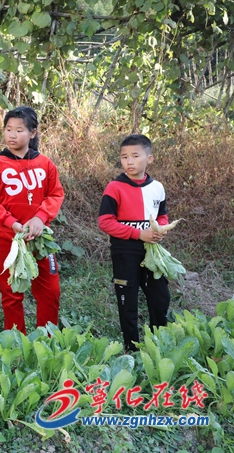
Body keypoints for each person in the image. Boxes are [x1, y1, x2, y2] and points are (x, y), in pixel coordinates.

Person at [0, 106, 64, 334]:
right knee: (11, 294)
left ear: (32, 133)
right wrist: (11, 223)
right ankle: (16, 343)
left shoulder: (45, 164)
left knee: (50, 291)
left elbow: (55, 194)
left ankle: (47, 341)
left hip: (40, 240)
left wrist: (40, 218)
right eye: (8, 129)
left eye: (19, 130)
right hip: (8, 239)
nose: (12, 135)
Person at [98, 134, 171, 352]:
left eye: (135, 156)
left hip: (152, 251)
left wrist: (160, 230)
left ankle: (158, 344)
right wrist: (138, 234)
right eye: (124, 157)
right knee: (127, 300)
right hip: (124, 251)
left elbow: (162, 216)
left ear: (149, 158)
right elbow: (105, 222)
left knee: (160, 297)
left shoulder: (157, 187)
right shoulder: (114, 187)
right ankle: (131, 347)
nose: (129, 161)